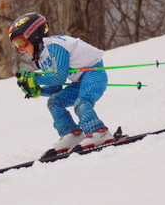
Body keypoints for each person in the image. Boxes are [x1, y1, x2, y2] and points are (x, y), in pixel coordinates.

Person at [8, 12, 113, 152]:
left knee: (81, 103)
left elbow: (59, 77)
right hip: (79, 81)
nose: (20, 48)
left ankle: (99, 132)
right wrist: (38, 90)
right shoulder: (42, 57)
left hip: (94, 74)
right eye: (16, 45)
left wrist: (35, 79)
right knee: (54, 102)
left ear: (33, 35)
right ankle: (72, 134)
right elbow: (56, 87)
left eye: (20, 42)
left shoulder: (55, 46)